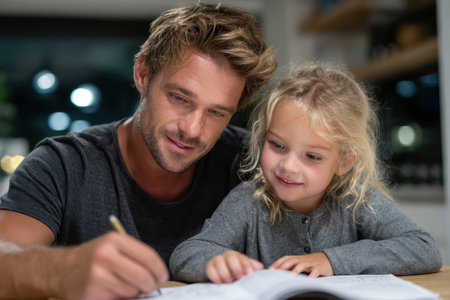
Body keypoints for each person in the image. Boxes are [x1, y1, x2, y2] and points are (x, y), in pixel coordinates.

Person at [0, 3, 276, 299]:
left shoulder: (255, 164)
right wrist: (63, 269)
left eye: (217, 113)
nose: (193, 129)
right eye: (180, 98)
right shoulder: (64, 165)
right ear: (143, 74)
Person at [169, 62, 443, 284]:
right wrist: (215, 261)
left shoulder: (356, 200)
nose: (288, 166)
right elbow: (186, 254)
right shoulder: (248, 201)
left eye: (312, 156)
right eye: (277, 145)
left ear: (344, 161)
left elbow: (422, 248)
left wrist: (330, 260)